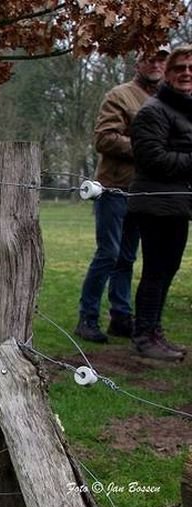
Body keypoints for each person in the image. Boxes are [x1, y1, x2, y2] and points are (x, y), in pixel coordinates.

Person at [75, 47, 169, 343]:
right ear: (137, 62)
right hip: (114, 188)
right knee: (109, 254)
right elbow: (104, 139)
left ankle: (121, 317)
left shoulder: (166, 100)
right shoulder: (120, 95)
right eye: (149, 58)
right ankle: (87, 318)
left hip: (143, 190)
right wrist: (148, 149)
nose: (155, 63)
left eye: (161, 58)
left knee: (127, 257)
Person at [127, 44, 192, 361]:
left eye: (191, 68)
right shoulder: (153, 111)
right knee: (156, 270)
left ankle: (154, 331)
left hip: (176, 204)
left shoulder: (183, 108)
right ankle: (144, 336)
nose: (186, 73)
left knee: (168, 269)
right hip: (155, 203)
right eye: (179, 68)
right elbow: (152, 158)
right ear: (167, 74)